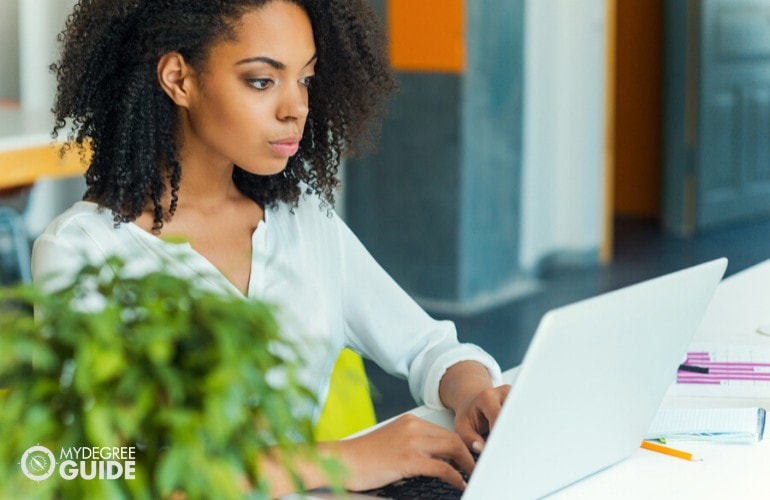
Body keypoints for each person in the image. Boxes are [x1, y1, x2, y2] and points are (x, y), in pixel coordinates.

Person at [33, 0, 510, 495]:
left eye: (304, 79)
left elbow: (427, 346)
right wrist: (340, 461)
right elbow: (98, 465)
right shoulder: (80, 250)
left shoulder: (302, 218)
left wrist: (473, 391)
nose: (296, 107)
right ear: (179, 79)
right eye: (262, 81)